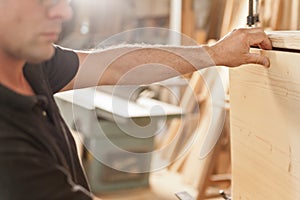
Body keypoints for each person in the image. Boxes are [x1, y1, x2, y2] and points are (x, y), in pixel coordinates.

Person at [0, 0, 272, 200]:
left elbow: (115, 66)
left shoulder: (31, 63)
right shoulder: (8, 149)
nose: (64, 12)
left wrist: (214, 54)